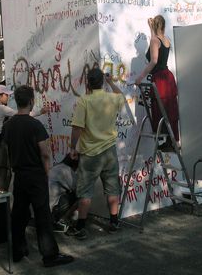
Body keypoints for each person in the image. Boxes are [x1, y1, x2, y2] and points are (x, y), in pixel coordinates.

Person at [1, 85, 74, 268]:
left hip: (19, 175)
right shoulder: (35, 125)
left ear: (17, 102)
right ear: (31, 101)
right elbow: (45, 152)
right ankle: (49, 255)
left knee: (19, 213)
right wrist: (47, 170)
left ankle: (18, 250)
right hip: (35, 175)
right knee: (42, 215)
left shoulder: (9, 125)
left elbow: (6, 148)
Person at [67, 68, 125, 240]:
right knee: (112, 188)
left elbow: (77, 127)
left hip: (90, 153)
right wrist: (111, 82)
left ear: (88, 83)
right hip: (109, 151)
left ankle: (81, 227)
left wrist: (72, 148)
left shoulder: (84, 100)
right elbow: (121, 96)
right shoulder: (111, 98)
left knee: (85, 191)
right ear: (101, 82)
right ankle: (114, 222)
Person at [0, 84, 47, 190]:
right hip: (2, 144)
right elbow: (21, 114)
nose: (8, 97)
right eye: (6, 95)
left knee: (0, 172)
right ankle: (1, 200)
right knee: (2, 173)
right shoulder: (1, 108)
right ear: (0, 96)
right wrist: (40, 112)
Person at [135, 15, 180, 150]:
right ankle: (171, 140)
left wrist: (141, 77)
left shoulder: (155, 40)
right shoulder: (166, 39)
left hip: (160, 78)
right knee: (169, 107)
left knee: (160, 108)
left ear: (154, 25)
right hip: (168, 77)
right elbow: (155, 47)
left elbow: (154, 60)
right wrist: (152, 29)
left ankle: (166, 140)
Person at [48, 152, 78, 233]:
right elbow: (78, 191)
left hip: (40, 209)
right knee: (82, 196)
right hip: (50, 210)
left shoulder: (57, 167)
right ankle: (62, 219)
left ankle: (59, 218)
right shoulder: (67, 171)